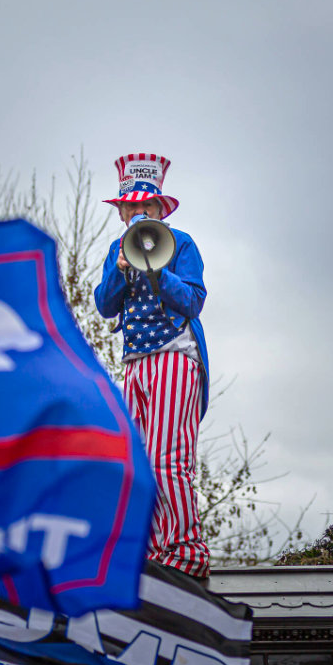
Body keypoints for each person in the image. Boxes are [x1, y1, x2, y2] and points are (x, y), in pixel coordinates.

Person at [93, 153, 211, 580]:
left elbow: (195, 301)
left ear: (160, 210)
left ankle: (184, 551)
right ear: (122, 211)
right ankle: (151, 549)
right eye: (131, 208)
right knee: (138, 461)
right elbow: (105, 306)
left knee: (168, 458)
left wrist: (161, 273)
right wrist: (121, 271)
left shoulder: (181, 244)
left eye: (146, 207)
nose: (138, 213)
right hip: (136, 363)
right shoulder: (115, 250)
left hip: (175, 356)